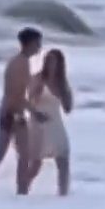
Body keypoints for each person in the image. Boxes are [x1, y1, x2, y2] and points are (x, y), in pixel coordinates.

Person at [0, 27, 45, 195]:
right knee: (20, 156)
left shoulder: (18, 61)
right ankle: (21, 192)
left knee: (3, 155)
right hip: (13, 113)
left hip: (10, 111)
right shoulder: (20, 64)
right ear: (30, 43)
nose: (39, 47)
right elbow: (15, 94)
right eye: (37, 43)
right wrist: (31, 112)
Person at [27, 48, 73, 196]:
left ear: (59, 64)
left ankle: (63, 194)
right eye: (48, 60)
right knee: (36, 164)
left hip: (55, 124)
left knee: (63, 159)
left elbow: (68, 109)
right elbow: (30, 102)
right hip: (39, 124)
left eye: (53, 61)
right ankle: (23, 189)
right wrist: (37, 94)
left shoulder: (62, 83)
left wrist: (66, 95)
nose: (50, 64)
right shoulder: (38, 78)